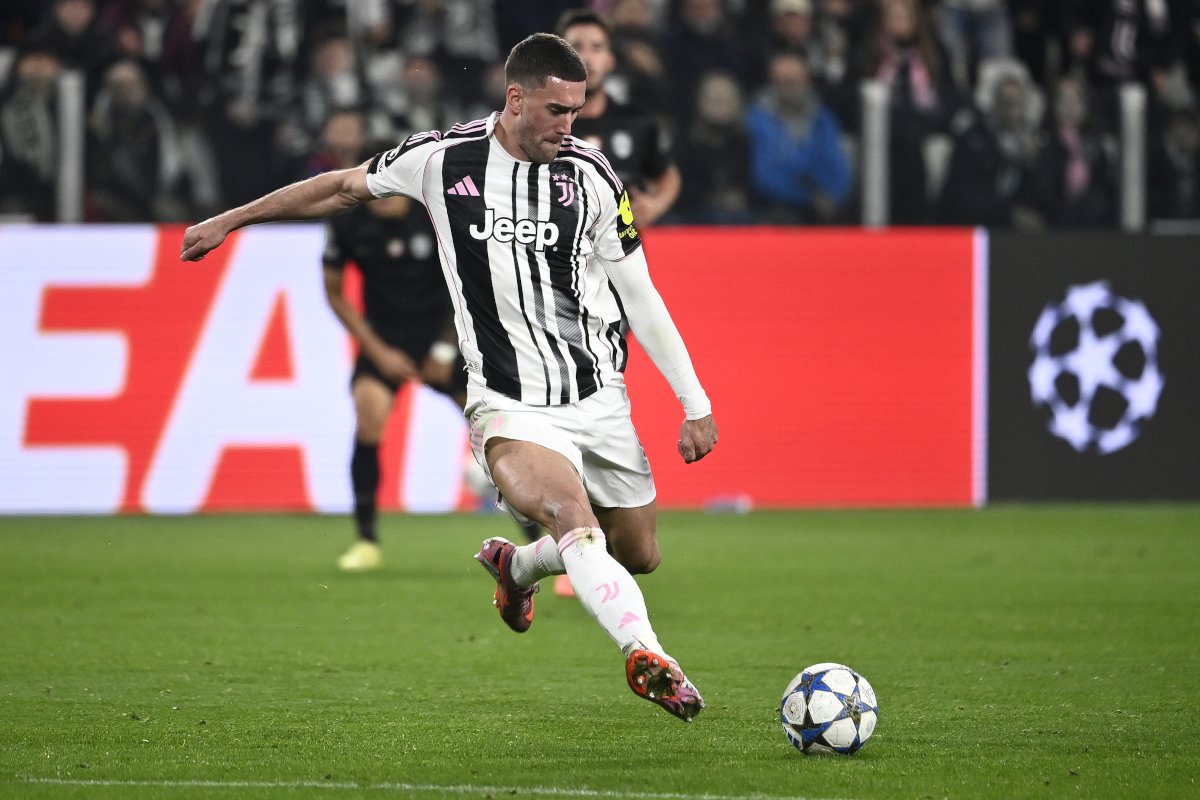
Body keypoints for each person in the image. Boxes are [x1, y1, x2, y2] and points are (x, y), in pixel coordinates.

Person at [180, 33, 717, 723]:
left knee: (637, 553)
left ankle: (517, 567)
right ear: (515, 98)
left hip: (597, 397)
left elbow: (640, 295)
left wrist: (694, 402)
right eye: (556, 110)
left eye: (576, 111)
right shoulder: (442, 158)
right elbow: (342, 187)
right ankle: (648, 655)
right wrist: (233, 219)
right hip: (507, 403)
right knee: (569, 514)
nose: (569, 125)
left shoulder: (592, 177)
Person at [321, 154, 466, 572]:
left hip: (445, 335)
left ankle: (537, 537)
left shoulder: (436, 214)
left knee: (493, 431)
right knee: (368, 417)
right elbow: (334, 292)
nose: (382, 194)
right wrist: (377, 351)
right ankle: (366, 540)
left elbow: (468, 284)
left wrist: (443, 351)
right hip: (385, 340)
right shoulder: (348, 222)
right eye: (374, 185)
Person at [558, 10, 681, 228]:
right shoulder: (541, 124)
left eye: (597, 47)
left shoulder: (636, 121)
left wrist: (654, 205)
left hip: (622, 245)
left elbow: (667, 175)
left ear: (610, 60)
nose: (586, 58)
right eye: (576, 47)